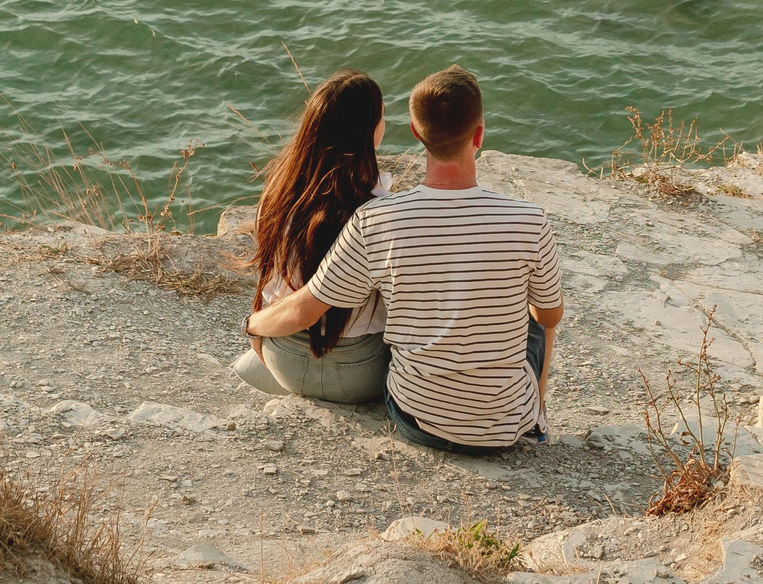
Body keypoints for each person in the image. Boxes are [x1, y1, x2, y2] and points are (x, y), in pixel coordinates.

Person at [245, 65, 564, 455]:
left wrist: (254, 325)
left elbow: (307, 307)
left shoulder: (371, 218)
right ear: (479, 135)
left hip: (414, 417)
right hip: (501, 427)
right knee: (539, 316)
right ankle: (537, 420)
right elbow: (549, 316)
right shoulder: (530, 219)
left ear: (416, 133)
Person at [231, 70, 392, 404]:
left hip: (282, 357)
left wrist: (254, 328)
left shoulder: (278, 194)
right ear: (368, 131)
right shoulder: (380, 211)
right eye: (382, 116)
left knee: (246, 366)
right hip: (358, 372)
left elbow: (270, 282)